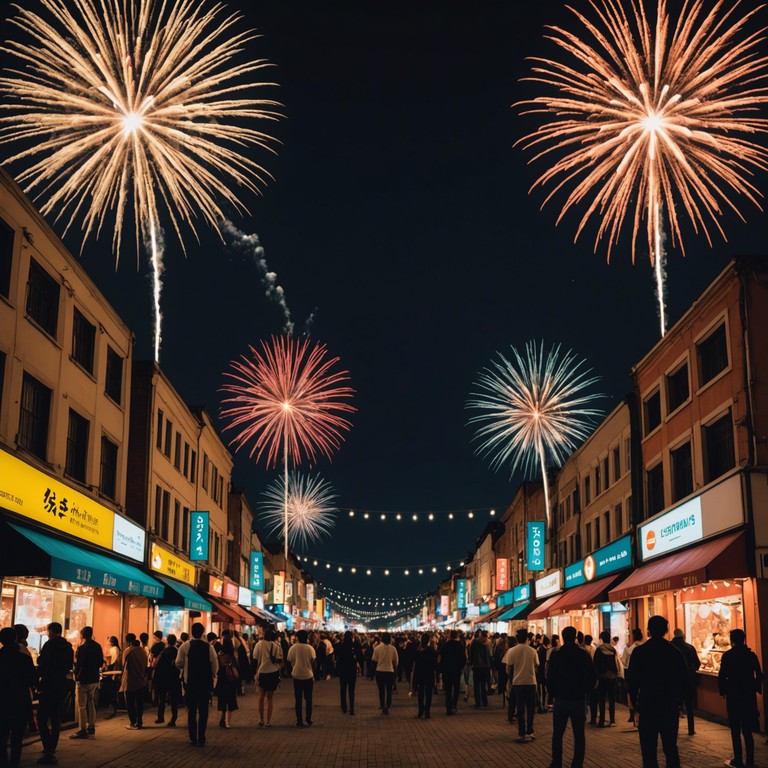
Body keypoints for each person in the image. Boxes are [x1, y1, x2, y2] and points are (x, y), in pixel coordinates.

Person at [627, 615, 689, 768]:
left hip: (647, 705)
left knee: (648, 751)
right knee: (670, 748)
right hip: (669, 705)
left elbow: (632, 681)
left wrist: (635, 704)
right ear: (666, 630)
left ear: (648, 631)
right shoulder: (674, 653)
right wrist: (679, 701)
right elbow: (685, 680)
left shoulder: (640, 652)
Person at [547, 626, 597, 768]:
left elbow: (550, 677)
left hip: (561, 698)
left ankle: (557, 762)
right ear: (575, 637)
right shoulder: (583, 654)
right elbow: (592, 676)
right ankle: (577, 763)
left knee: (558, 733)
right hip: (579, 698)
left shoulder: (556, 654)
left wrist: (553, 693)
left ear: (563, 637)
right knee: (579, 734)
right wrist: (585, 690)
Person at [718, 628, 763, 768]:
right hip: (748, 696)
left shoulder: (728, 656)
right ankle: (750, 761)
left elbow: (721, 676)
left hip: (733, 696)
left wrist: (723, 691)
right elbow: (759, 675)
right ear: (744, 639)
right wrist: (755, 687)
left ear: (732, 640)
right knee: (748, 730)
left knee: (735, 729)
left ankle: (738, 760)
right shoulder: (751, 655)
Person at [36, 622, 74, 765]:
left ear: (51, 631)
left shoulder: (49, 645)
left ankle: (48, 748)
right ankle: (52, 748)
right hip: (61, 685)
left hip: (48, 685)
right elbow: (69, 666)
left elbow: (42, 664)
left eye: (48, 631)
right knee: (55, 717)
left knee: (42, 718)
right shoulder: (68, 647)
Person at [176, 622, 218, 746]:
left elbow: (178, 663)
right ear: (202, 632)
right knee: (203, 711)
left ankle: (192, 737)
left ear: (191, 632)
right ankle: (202, 737)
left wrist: (184, 668)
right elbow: (215, 667)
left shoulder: (185, 646)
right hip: (205, 684)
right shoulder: (209, 648)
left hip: (190, 683)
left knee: (191, 711)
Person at [0, 626, 36, 768]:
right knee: (17, 737)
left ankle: (2, 762)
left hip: (2, 701)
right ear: (15, 638)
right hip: (20, 700)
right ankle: (14, 762)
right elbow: (33, 679)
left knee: (2, 736)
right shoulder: (24, 657)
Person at [504, 628, 539, 744]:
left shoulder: (512, 651)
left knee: (520, 708)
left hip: (517, 683)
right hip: (531, 682)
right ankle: (530, 731)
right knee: (530, 708)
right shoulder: (532, 651)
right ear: (527, 639)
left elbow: (508, 668)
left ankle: (521, 733)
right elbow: (536, 666)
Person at [69, 626, 103, 739]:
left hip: (84, 679)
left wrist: (77, 676)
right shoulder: (97, 646)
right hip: (94, 678)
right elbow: (100, 662)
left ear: (82, 635)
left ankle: (82, 728)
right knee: (91, 702)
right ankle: (91, 726)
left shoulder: (83, 648)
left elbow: (80, 664)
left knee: (81, 705)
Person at [671, 628, 700, 736]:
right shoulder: (690, 647)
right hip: (687, 681)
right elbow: (697, 663)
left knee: (673, 707)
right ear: (683, 636)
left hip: (672, 683)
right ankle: (691, 729)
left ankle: (674, 730)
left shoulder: (669, 647)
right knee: (689, 706)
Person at [253, 629, 283, 727]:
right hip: (273, 673)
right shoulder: (276, 646)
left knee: (261, 696)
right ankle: (268, 721)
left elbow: (255, 658)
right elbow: (279, 660)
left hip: (262, 672)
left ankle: (261, 719)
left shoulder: (258, 644)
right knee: (270, 698)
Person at [287, 630, 316, 726]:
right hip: (308, 675)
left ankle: (299, 720)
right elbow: (313, 661)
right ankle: (308, 719)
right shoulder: (310, 648)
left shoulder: (292, 648)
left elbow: (289, 661)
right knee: (308, 699)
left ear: (297, 637)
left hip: (296, 676)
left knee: (298, 699)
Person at [120, 633, 148, 730]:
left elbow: (123, 666)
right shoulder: (143, 651)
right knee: (139, 702)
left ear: (128, 641)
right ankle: (139, 721)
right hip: (140, 680)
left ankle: (133, 722)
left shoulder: (127, 651)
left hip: (130, 681)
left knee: (130, 703)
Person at [593, 630, 621, 727]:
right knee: (611, 699)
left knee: (602, 699)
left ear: (601, 639)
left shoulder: (599, 649)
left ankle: (601, 721)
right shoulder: (613, 649)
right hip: (612, 677)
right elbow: (617, 663)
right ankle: (612, 721)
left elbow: (595, 664)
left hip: (602, 677)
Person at [153, 634, 181, 726]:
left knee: (162, 699)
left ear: (167, 642)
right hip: (174, 678)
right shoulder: (177, 652)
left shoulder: (164, 652)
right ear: (175, 642)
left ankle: (160, 717)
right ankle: (173, 719)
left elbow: (155, 664)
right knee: (173, 700)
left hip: (163, 678)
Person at [439, 630, 466, 715]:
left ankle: (448, 707)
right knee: (456, 689)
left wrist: (441, 670)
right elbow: (463, 658)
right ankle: (454, 704)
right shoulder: (460, 645)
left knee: (448, 690)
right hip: (457, 671)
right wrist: (461, 667)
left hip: (447, 671)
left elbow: (441, 659)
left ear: (450, 636)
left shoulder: (445, 645)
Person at [411, 633, 438, 719]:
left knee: (420, 693)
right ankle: (427, 711)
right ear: (428, 641)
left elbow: (415, 665)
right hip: (429, 675)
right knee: (429, 694)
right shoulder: (432, 651)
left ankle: (420, 710)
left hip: (420, 675)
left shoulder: (418, 651)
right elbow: (435, 665)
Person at [215, 636, 239, 729]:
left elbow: (217, 667)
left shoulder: (220, 654)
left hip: (222, 679)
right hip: (231, 680)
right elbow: (237, 667)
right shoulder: (232, 654)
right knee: (230, 700)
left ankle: (222, 717)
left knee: (222, 700)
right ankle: (227, 722)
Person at [372, 632, 398, 715]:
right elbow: (396, 662)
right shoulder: (393, 649)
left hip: (379, 671)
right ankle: (388, 705)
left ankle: (382, 705)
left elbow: (374, 660)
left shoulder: (377, 648)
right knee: (389, 690)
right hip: (389, 672)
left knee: (381, 690)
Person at [622, 628, 644, 724]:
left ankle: (632, 713)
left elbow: (624, 662)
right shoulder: (645, 647)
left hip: (632, 674)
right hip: (644, 675)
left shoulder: (629, 649)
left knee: (631, 693)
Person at [336, 631, 360, 715]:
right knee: (351, 690)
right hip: (352, 670)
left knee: (343, 689)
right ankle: (352, 709)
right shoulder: (354, 645)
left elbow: (338, 656)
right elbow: (358, 655)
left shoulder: (340, 645)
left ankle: (344, 707)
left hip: (343, 670)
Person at [468, 630, 491, 708]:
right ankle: (485, 703)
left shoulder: (475, 642)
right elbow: (491, 655)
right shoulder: (488, 643)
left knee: (476, 686)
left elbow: (471, 653)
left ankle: (478, 703)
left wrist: (470, 662)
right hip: (486, 667)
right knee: (484, 686)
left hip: (477, 666)